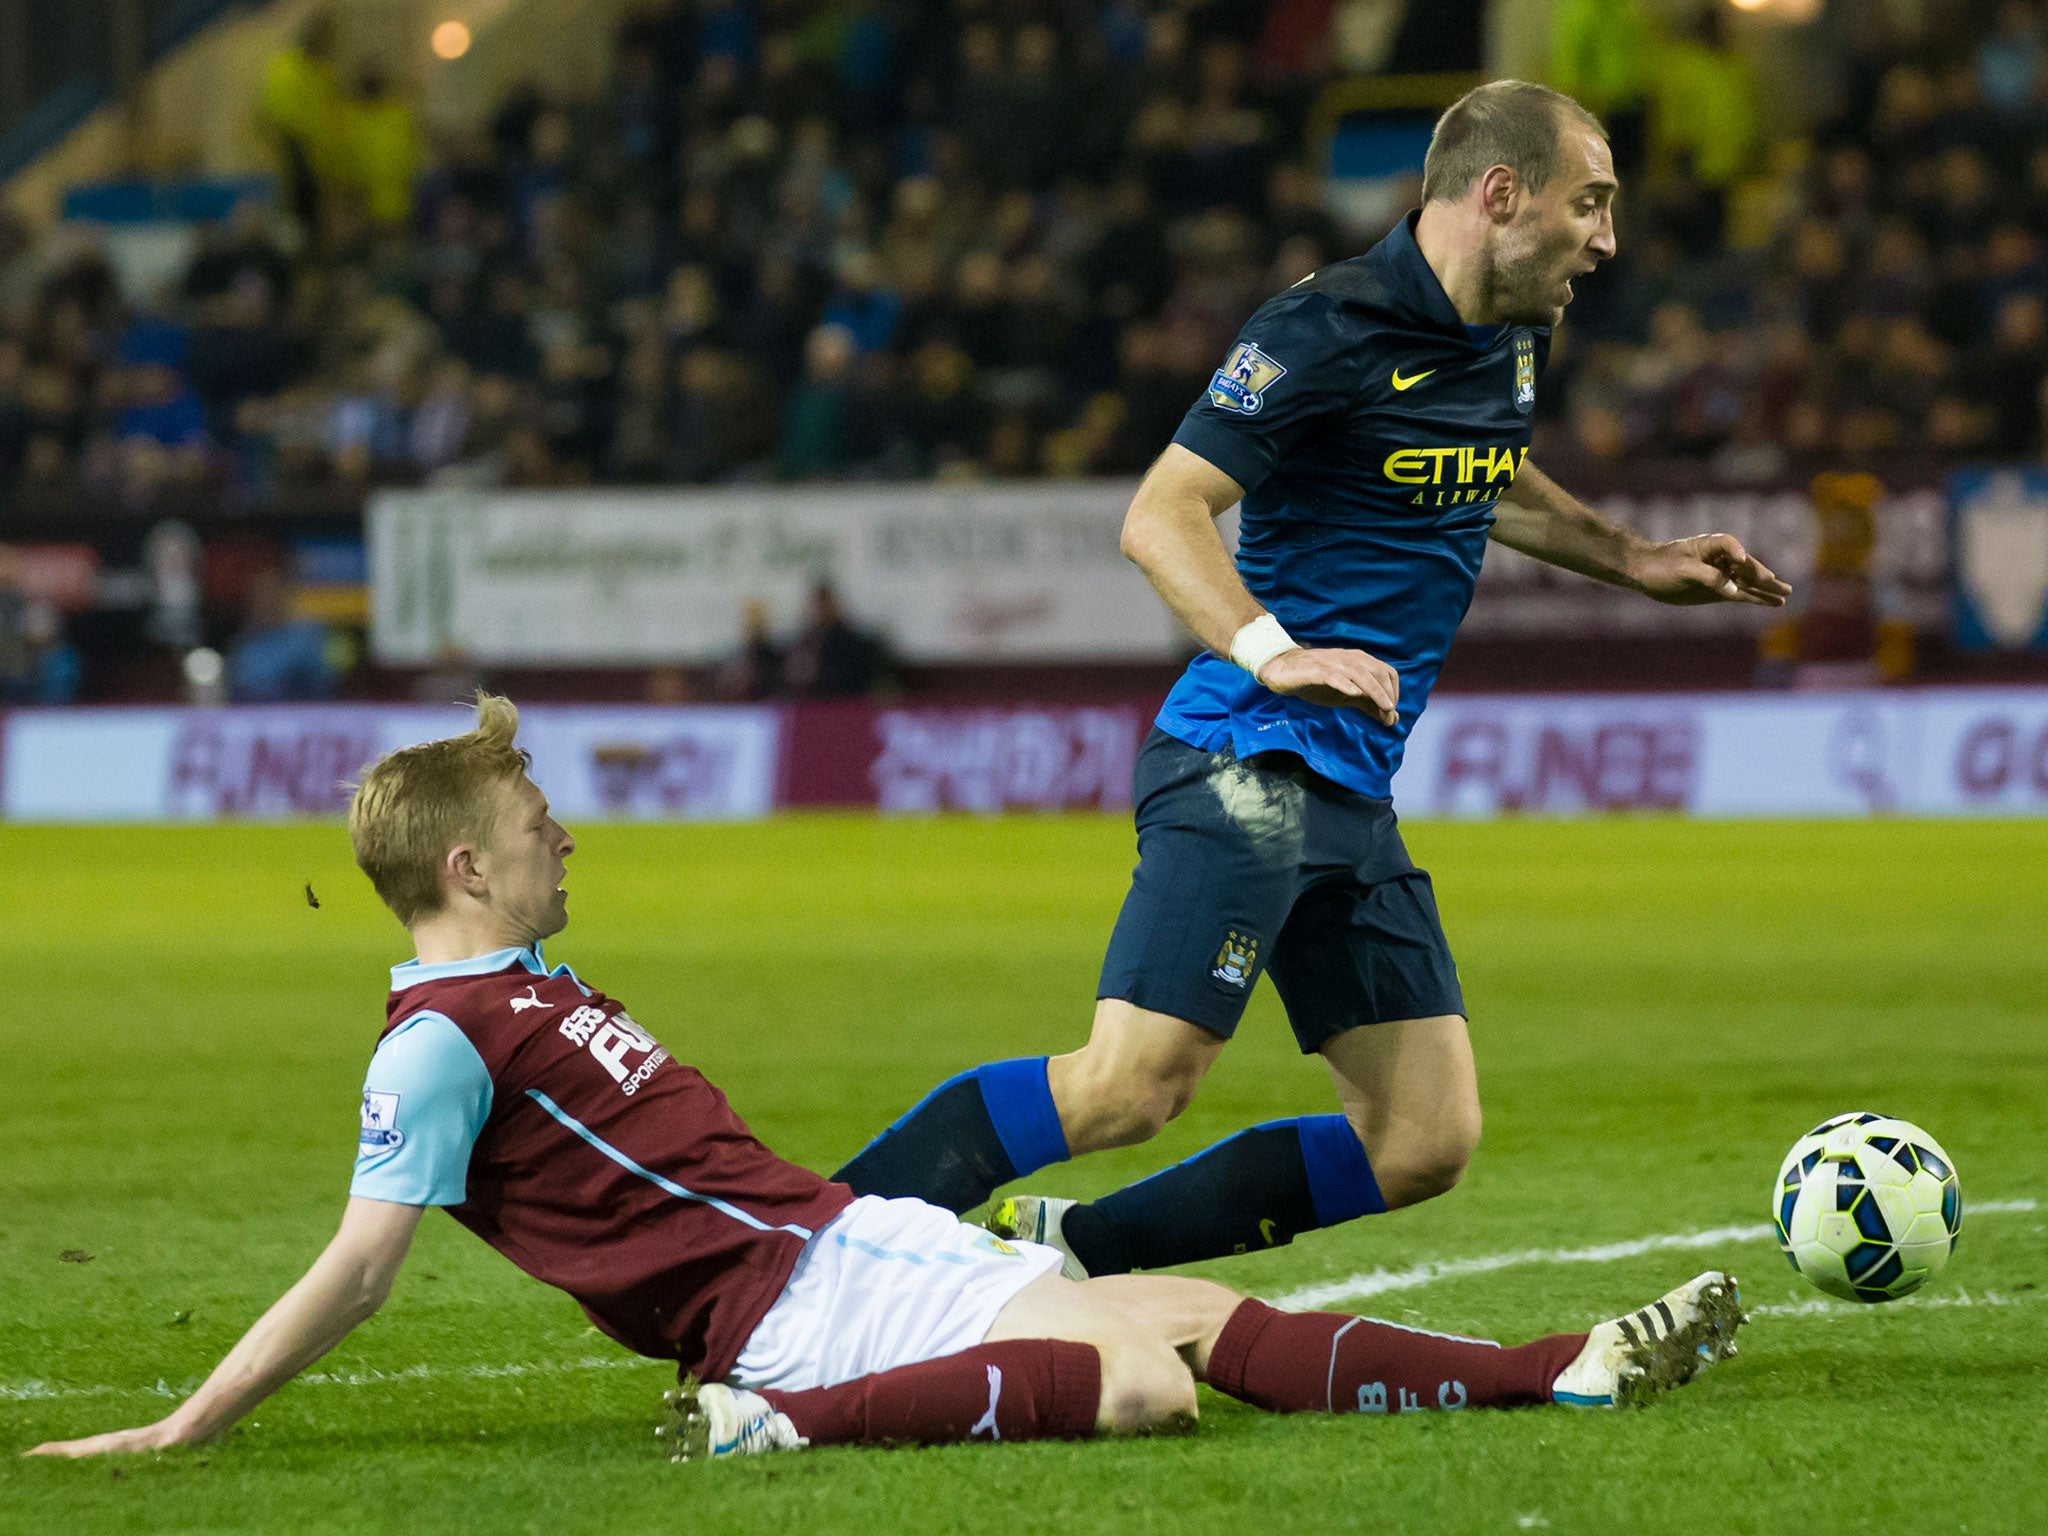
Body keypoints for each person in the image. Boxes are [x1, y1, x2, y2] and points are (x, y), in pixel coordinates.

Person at [24, 697, 1745, 1463]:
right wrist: (191, 1421)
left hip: (844, 1243)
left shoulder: (525, 984)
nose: (564, 836)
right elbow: (363, 1261)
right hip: (787, 1318)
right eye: (534, 827)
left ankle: (1559, 1374)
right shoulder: (435, 1047)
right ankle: (770, 1430)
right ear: (466, 868)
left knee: (1189, 1312)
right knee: (1140, 1387)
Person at [832, 80, 1790, 1283]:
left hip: (1349, 789)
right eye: (1587, 204)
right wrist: (1268, 647)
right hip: (1247, 758)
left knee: (1422, 1139)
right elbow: (1159, 513)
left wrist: (1633, 559)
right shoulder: (1318, 331)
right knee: (1130, 1087)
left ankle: (1079, 1251)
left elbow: (1483, 471)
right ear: (1498, 194)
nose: (1606, 240)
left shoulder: (1508, 332)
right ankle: (781, 1250)